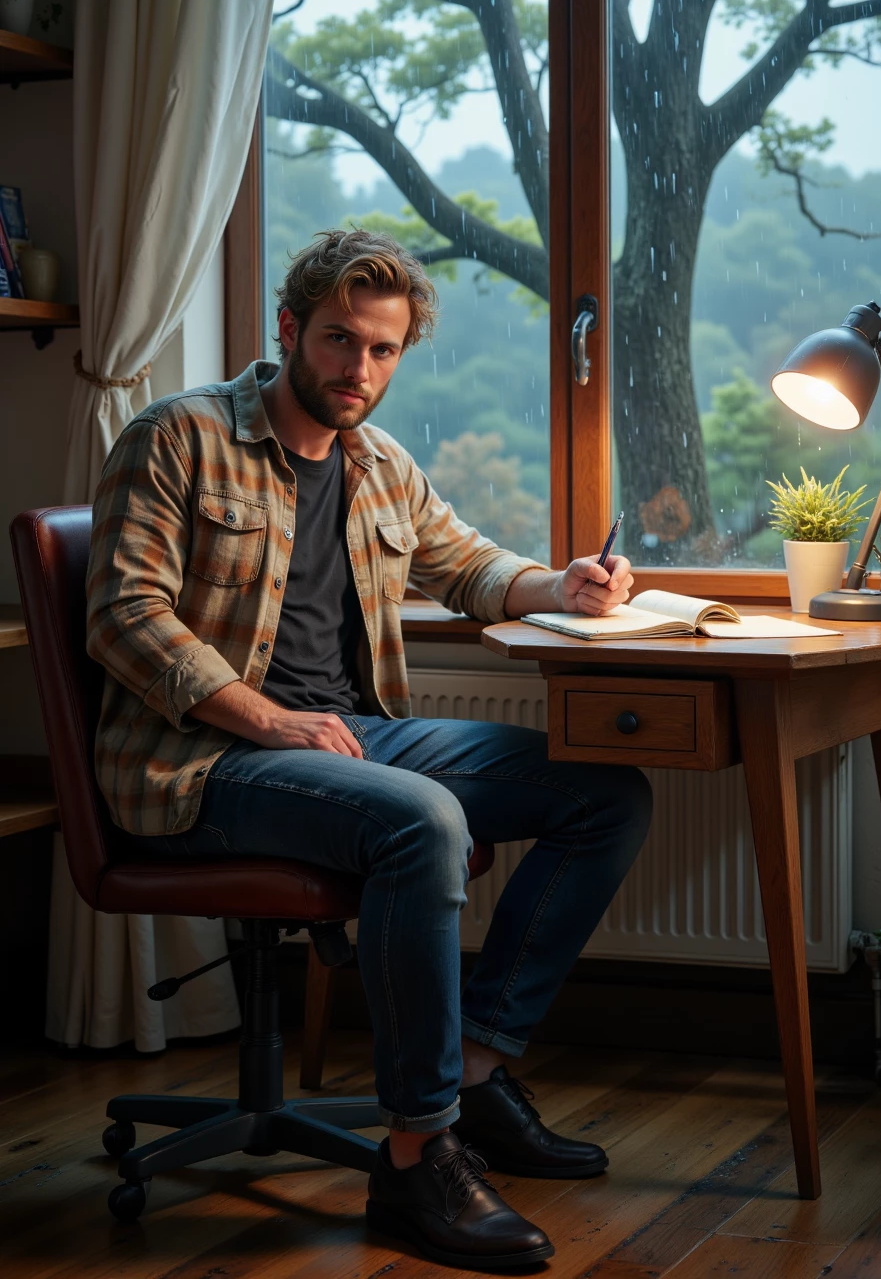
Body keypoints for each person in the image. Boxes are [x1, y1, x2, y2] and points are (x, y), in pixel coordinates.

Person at [86, 229, 653, 1269]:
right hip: (203, 760)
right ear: (291, 329)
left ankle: (473, 1075)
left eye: (383, 351)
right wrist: (262, 716)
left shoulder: (377, 463)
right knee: (421, 818)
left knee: (603, 795)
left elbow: (469, 567)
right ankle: (415, 1155)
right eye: (342, 341)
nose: (360, 371)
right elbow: (124, 614)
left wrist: (559, 584)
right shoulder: (177, 437)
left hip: (355, 737)